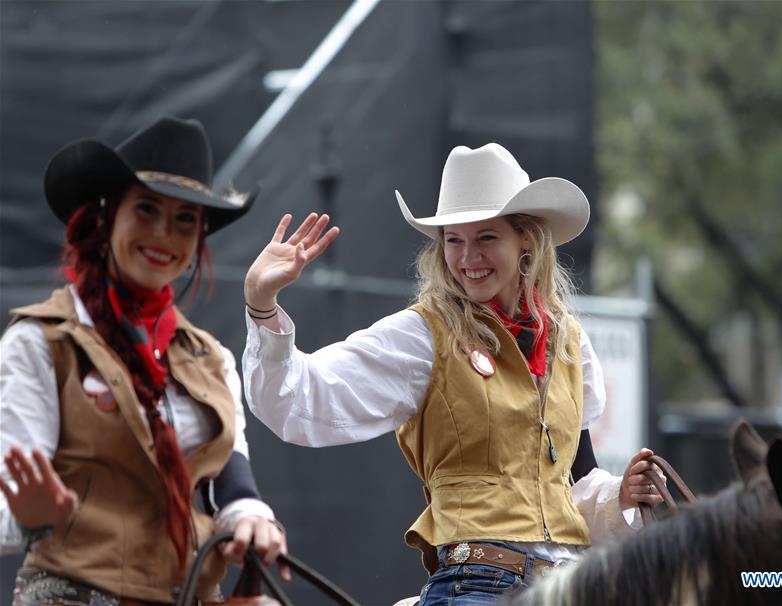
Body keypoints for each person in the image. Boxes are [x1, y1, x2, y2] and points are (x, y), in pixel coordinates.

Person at [242, 143, 663, 604]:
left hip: (569, 583)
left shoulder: (569, 343)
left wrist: (620, 495)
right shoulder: (424, 335)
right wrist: (262, 307)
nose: (467, 258)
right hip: (477, 582)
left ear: (526, 240)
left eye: (486, 238)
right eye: (453, 239)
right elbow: (298, 400)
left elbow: (576, 483)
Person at [0, 116, 287, 605]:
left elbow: (232, 485)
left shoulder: (210, 358)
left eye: (184, 221)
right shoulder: (40, 342)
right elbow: (10, 501)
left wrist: (255, 523)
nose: (164, 235)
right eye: (147, 210)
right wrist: (29, 513)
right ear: (105, 217)